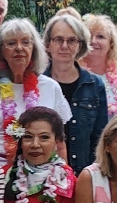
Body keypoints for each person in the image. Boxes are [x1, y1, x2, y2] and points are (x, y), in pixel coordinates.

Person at [0, 18, 72, 167]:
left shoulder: (50, 87)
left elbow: (60, 142)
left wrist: (65, 173)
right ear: (1, 51)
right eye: (11, 43)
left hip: (40, 170)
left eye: (25, 42)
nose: (19, 48)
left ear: (34, 49)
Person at [43, 13, 107, 176]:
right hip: (43, 176)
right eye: (58, 40)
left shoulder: (95, 85)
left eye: (71, 40)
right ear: (48, 44)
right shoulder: (37, 84)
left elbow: (100, 138)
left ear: (80, 45)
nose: (64, 46)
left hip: (84, 175)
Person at [81, 13, 117, 115]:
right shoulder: (74, 74)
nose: (93, 41)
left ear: (111, 44)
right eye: (89, 36)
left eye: (100, 37)